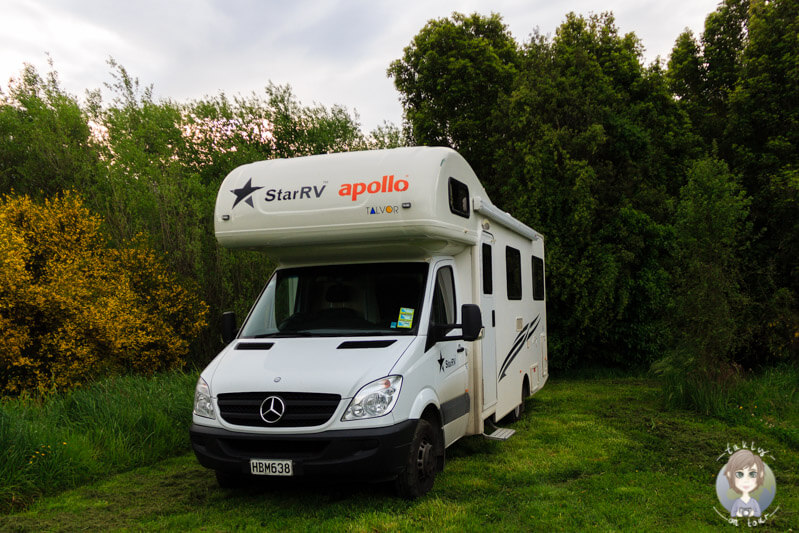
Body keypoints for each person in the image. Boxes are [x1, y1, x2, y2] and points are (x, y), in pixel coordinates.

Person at [723, 449, 765, 517]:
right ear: (730, 475)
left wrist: (752, 513)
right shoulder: (737, 502)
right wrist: (738, 514)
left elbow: (758, 513)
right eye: (739, 474)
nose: (746, 480)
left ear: (760, 474)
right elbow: (732, 514)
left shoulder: (754, 502)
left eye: (752, 474)